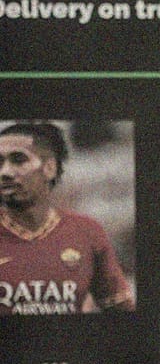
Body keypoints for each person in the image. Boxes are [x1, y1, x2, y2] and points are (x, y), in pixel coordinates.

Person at [0, 120, 134, 315]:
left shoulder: (87, 231)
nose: (5, 172)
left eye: (18, 160)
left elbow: (123, 312)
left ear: (49, 168)